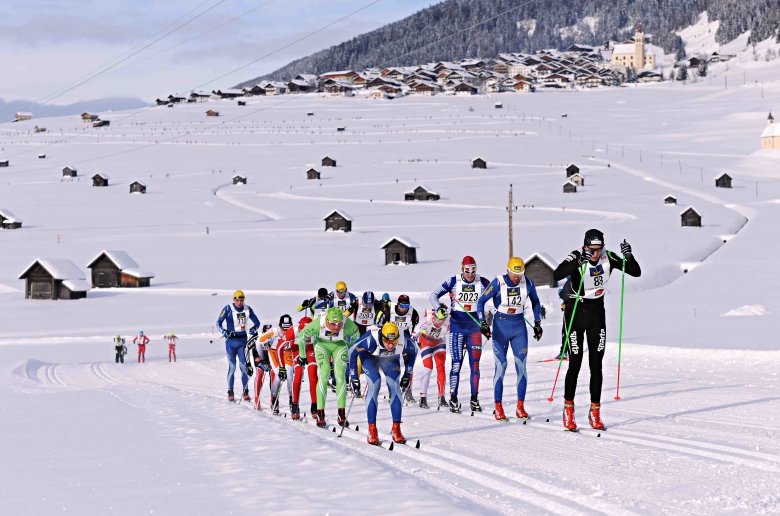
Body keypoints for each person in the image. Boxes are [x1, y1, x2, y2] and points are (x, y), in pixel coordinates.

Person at [553, 229, 640, 431]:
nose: (595, 254)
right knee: (574, 364)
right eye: (591, 250)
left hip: (596, 314)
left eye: (598, 249)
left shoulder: (608, 257)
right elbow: (557, 274)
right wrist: (577, 262)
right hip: (575, 313)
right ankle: (568, 411)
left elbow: (635, 272)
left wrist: (628, 255)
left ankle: (595, 413)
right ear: (584, 246)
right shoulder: (576, 255)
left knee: (596, 365)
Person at [477, 257, 543, 421]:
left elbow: (535, 302)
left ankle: (520, 406)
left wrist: (537, 323)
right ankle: (498, 406)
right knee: (501, 366)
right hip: (501, 326)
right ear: (507, 270)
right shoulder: (498, 282)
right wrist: (483, 323)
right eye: (514, 274)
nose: (516, 277)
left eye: (519, 274)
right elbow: (481, 301)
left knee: (521, 367)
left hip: (519, 327)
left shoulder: (527, 282)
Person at [429, 255, 490, 413]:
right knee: (456, 363)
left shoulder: (482, 282)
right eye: (467, 270)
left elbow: (497, 295)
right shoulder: (453, 281)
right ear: (462, 269)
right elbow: (433, 295)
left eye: (473, 270)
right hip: (457, 327)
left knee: (475, 365)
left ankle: (474, 399)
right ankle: (453, 398)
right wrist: (439, 308)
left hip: (475, 328)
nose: (470, 274)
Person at [348, 322, 417, 445]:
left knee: (394, 386)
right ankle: (372, 430)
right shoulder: (370, 340)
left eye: (394, 342)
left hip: (390, 359)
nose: (390, 345)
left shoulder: (404, 341)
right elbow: (352, 352)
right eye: (387, 341)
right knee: (375, 384)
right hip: (370, 357)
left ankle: (396, 429)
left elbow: (414, 352)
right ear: (382, 336)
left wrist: (407, 374)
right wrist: (354, 376)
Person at [296, 307, 360, 428]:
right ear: (326, 320)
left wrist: (350, 348)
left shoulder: (347, 324)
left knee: (340, 376)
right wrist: (303, 355)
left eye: (339, 324)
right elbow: (301, 337)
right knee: (324, 374)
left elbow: (356, 335)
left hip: (339, 346)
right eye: (332, 324)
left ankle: (341, 413)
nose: (336, 327)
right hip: (322, 346)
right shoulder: (318, 323)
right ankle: (320, 413)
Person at [217, 290, 261, 402]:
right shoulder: (227, 309)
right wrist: (223, 331)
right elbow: (218, 323)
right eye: (237, 300)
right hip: (231, 342)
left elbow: (257, 322)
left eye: (241, 300)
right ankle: (230, 391)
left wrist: (253, 328)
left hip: (242, 342)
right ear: (234, 300)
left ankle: (245, 391)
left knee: (243, 367)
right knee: (232, 367)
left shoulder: (247, 309)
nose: (239, 302)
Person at [378, 294, 419, 403]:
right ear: (398, 304)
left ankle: (408, 390)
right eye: (402, 305)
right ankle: (392, 391)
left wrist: (414, 336)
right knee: (392, 365)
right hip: (391, 338)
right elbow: (381, 326)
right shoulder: (390, 310)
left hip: (404, 337)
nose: (404, 308)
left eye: (406, 306)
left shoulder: (413, 312)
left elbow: (415, 326)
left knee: (409, 364)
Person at [255, 315, 294, 414]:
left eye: (288, 327)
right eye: (283, 327)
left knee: (290, 375)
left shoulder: (295, 329)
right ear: (280, 325)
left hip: (287, 351)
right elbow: (259, 342)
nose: (286, 330)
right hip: (274, 352)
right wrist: (263, 359)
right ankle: (274, 400)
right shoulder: (274, 331)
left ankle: (292, 400)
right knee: (277, 374)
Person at [413, 307, 450, 409]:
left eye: (442, 320)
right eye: (438, 319)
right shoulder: (426, 320)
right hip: (426, 342)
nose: (440, 322)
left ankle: (441, 396)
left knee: (441, 367)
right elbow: (415, 332)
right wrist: (416, 336)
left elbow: (456, 330)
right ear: (434, 316)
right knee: (428, 368)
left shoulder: (448, 321)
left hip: (439, 342)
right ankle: (423, 397)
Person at [282, 316, 314, 420]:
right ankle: (295, 405)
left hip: (310, 348)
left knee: (313, 374)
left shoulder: (317, 328)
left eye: (309, 332)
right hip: (297, 349)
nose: (306, 334)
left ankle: (315, 406)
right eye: (302, 331)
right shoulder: (293, 330)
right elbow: (280, 346)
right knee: (298, 374)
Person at [556, 280, 574, 359]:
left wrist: (561, 294)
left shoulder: (570, 281)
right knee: (571, 331)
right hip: (574, 310)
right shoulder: (570, 281)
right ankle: (570, 351)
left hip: (570, 310)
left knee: (567, 330)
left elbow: (567, 297)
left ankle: (564, 352)